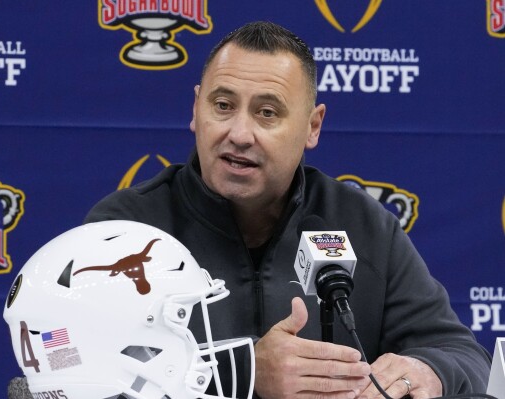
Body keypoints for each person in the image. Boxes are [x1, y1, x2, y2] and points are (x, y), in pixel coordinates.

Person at [85, 21, 491, 398]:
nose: (239, 134)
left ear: (313, 126)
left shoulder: (360, 223)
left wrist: (427, 369)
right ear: (196, 110)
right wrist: (243, 372)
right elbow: (72, 369)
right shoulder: (124, 229)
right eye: (223, 105)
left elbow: (462, 354)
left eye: (267, 113)